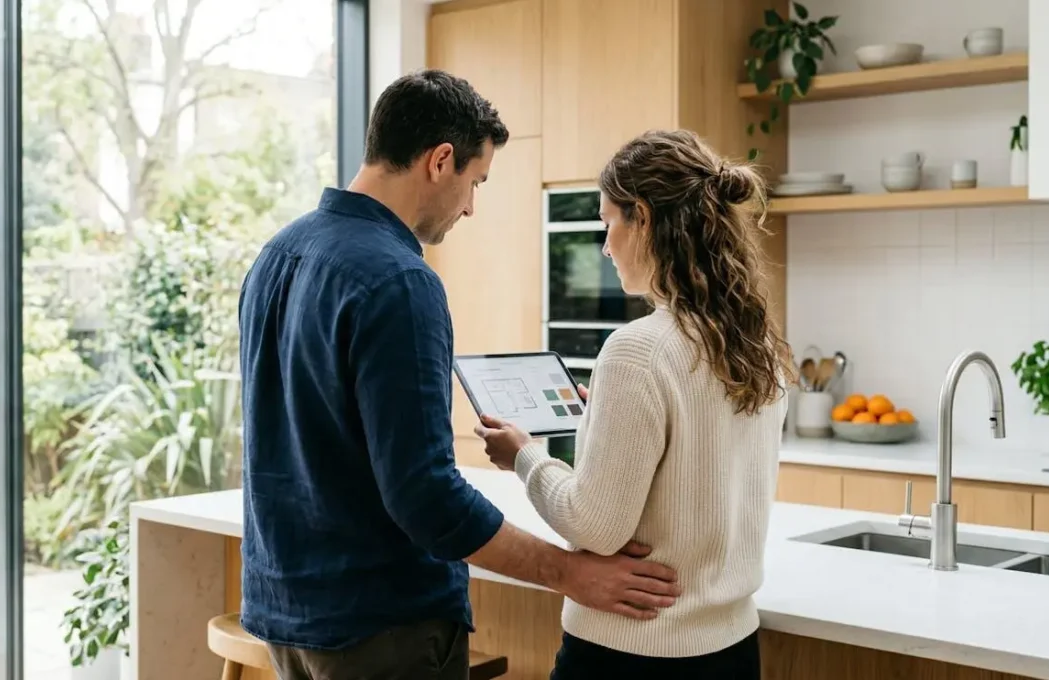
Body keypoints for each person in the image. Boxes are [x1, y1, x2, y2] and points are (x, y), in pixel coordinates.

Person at [237, 70, 682, 680]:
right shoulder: (400, 281)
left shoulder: (277, 254)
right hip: (381, 624)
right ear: (440, 160)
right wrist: (568, 572)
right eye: (476, 182)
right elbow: (425, 495)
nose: (471, 206)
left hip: (286, 611)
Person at [475, 129, 793, 679]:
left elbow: (594, 527)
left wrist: (524, 457)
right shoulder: (752, 342)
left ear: (642, 218)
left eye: (608, 222)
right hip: (733, 651)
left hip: (633, 653)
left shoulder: (637, 351)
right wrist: (609, 415)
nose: (604, 244)